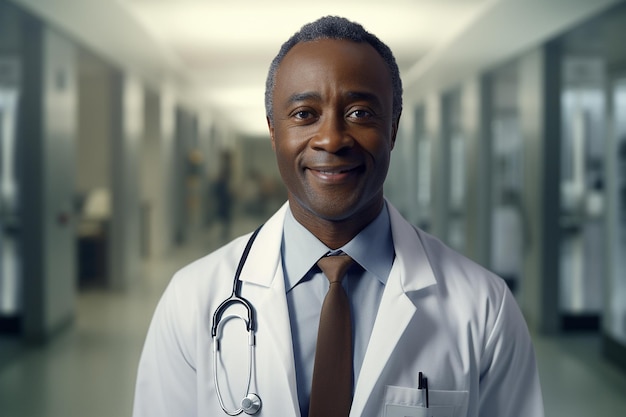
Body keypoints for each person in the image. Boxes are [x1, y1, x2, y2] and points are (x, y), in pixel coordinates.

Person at [133, 16, 544, 417]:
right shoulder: (191, 300)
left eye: (360, 113)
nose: (331, 139)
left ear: (394, 128)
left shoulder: (483, 307)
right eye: (304, 114)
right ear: (274, 132)